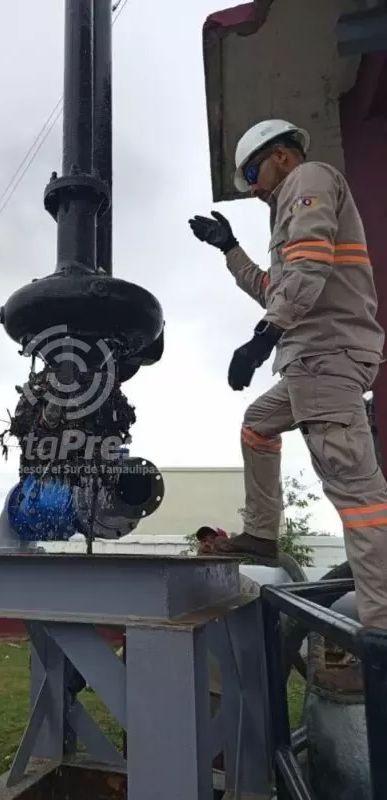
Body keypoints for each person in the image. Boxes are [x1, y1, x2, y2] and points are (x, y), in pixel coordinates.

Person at [188, 118, 387, 629]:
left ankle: (381, 629)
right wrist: (230, 249)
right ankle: (261, 533)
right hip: (311, 361)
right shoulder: (289, 212)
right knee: (257, 426)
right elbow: (275, 288)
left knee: (358, 499)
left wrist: (263, 338)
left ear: (281, 155)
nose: (253, 189)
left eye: (253, 173)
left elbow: (310, 268)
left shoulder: (308, 179)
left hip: (326, 357)